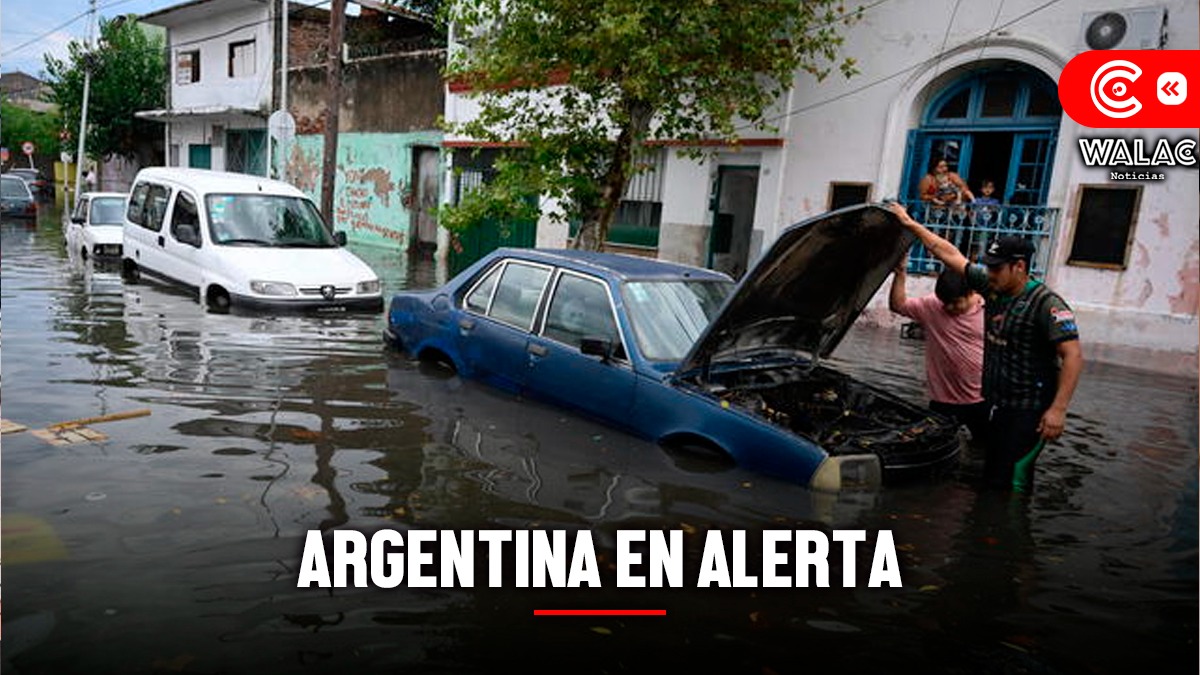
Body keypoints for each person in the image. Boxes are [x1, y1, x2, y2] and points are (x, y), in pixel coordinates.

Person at [887, 202, 1083, 493]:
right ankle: (986, 533)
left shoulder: (1047, 304)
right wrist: (909, 223)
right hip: (997, 405)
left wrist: (1058, 410)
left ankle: (1011, 533)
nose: (989, 273)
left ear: (1019, 267)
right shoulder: (993, 288)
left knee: (1014, 479)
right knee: (991, 475)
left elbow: (1073, 356)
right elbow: (949, 253)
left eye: (996, 268)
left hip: (1029, 409)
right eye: (988, 267)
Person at [889, 260, 988, 442]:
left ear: (972, 293)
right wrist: (900, 274)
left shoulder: (989, 310)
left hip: (981, 399)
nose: (949, 308)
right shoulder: (932, 306)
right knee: (934, 444)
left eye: (956, 303)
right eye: (945, 303)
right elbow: (898, 305)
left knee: (984, 446)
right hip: (943, 401)